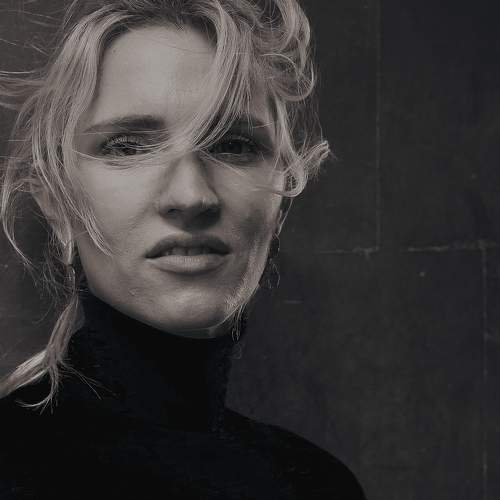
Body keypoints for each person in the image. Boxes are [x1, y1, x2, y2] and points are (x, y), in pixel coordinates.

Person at [0, 0, 366, 498]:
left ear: (282, 194)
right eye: (128, 146)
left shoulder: (319, 483)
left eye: (233, 144)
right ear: (57, 201)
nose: (191, 196)